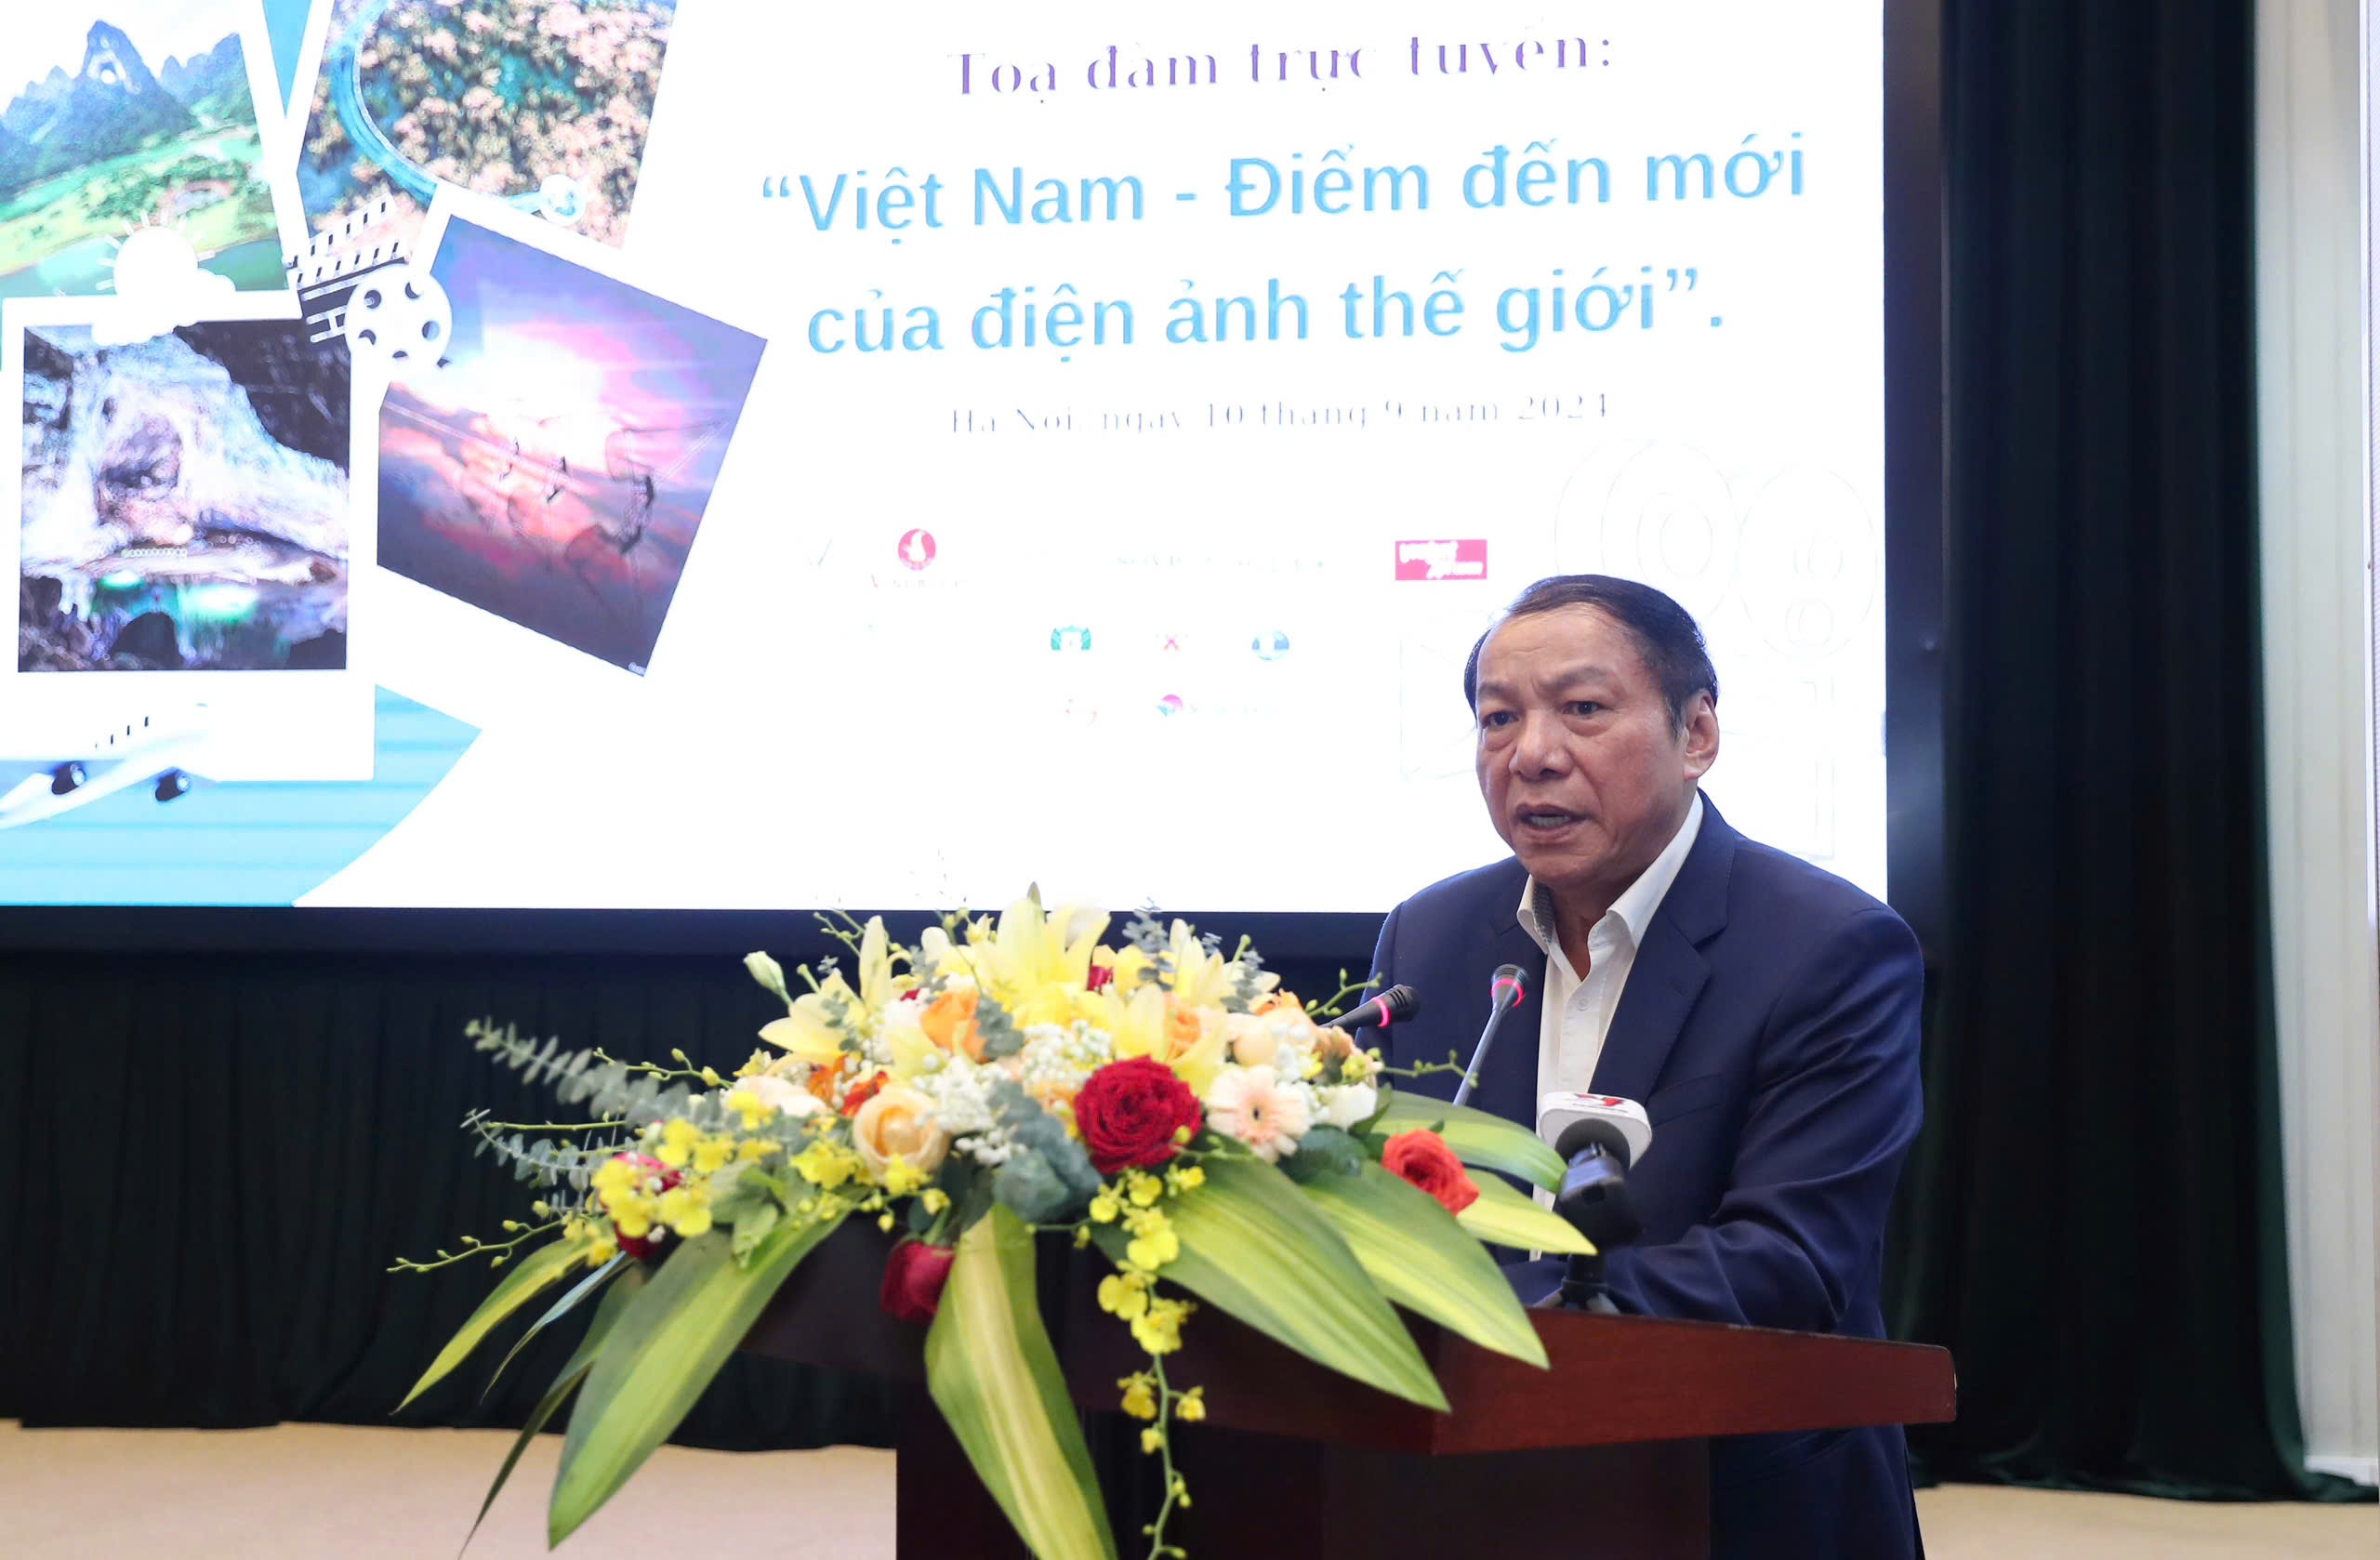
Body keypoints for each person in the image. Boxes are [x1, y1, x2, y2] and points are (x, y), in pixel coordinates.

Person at [1363, 575, 1926, 1560]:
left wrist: (1502, 1323)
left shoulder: (1827, 946)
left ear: (1696, 733)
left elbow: (1788, 1259)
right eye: (1499, 718)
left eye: (1582, 709)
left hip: (1727, 1497)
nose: (1532, 754)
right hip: (1452, 1489)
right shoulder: (1430, 936)